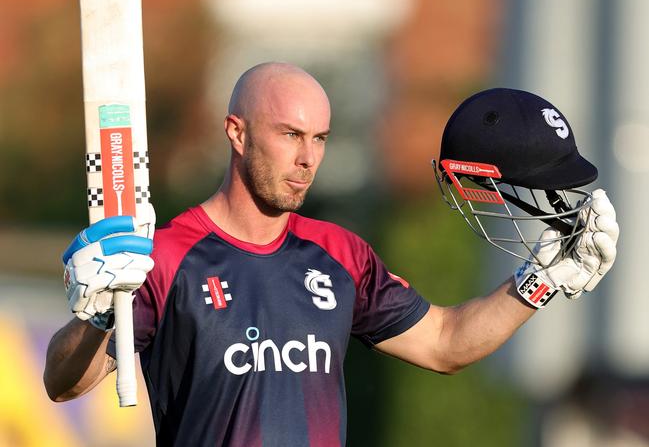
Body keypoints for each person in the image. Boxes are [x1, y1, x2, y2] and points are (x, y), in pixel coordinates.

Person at [44, 63, 619, 447]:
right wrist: (94, 313)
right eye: (290, 134)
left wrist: (540, 280)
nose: (307, 158)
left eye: (319, 138)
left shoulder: (340, 254)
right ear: (236, 133)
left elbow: (445, 343)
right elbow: (64, 384)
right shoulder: (164, 256)